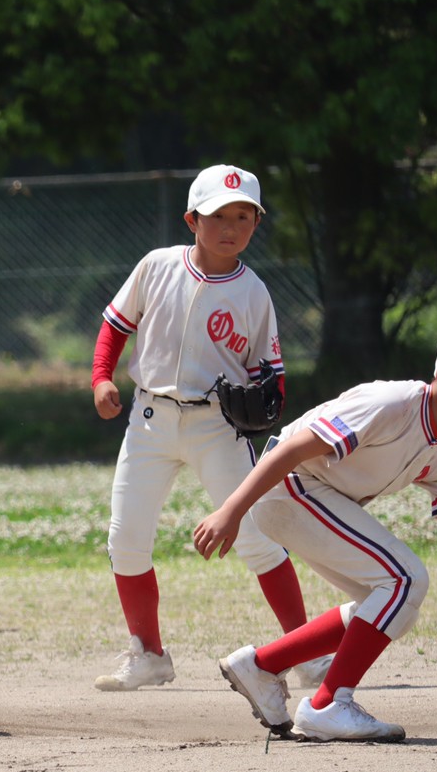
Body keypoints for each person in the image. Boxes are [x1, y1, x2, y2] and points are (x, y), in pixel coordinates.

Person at [194, 325, 437, 742]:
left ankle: (262, 666)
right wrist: (231, 510)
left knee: (396, 604)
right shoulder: (392, 404)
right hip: (291, 487)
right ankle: (327, 705)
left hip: (309, 498)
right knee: (404, 579)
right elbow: (290, 450)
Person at [90, 164, 323, 691]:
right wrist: (101, 377)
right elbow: (116, 323)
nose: (230, 226)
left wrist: (268, 404)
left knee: (258, 538)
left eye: (244, 216)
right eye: (218, 214)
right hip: (149, 420)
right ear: (192, 219)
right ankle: (148, 655)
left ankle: (306, 651)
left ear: (255, 225)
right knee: (126, 540)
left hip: (218, 427)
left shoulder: (253, 292)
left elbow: (272, 373)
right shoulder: (157, 266)